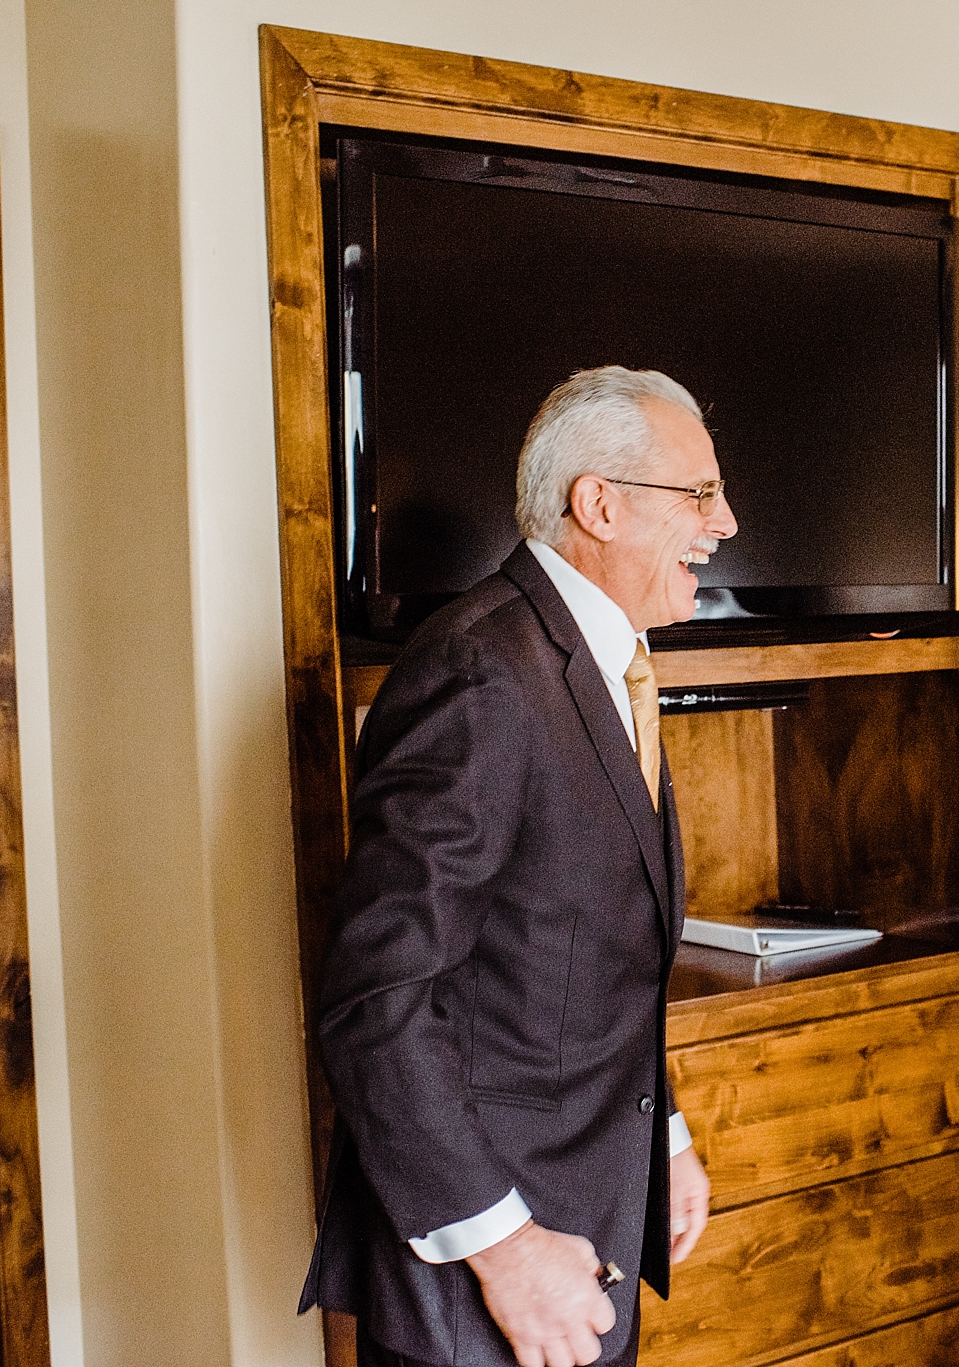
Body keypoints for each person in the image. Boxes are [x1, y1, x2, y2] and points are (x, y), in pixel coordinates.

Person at [300, 366, 737, 1367]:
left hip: (586, 1217)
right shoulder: (478, 671)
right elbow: (378, 999)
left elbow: (574, 952)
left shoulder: (600, 662)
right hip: (489, 1274)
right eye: (701, 492)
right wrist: (504, 1248)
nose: (728, 520)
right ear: (599, 503)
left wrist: (659, 1133)